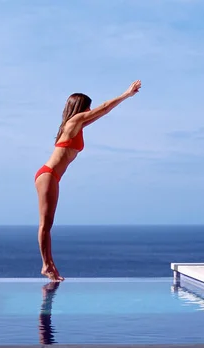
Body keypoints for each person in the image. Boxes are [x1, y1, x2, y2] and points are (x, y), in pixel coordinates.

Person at [34, 80, 142, 281]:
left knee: (48, 223)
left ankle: (49, 265)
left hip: (51, 176)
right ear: (80, 107)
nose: (90, 110)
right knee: (45, 224)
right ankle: (46, 266)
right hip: (48, 175)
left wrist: (120, 101)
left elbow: (102, 112)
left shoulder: (77, 125)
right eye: (88, 107)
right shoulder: (73, 123)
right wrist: (126, 94)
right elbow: (104, 107)